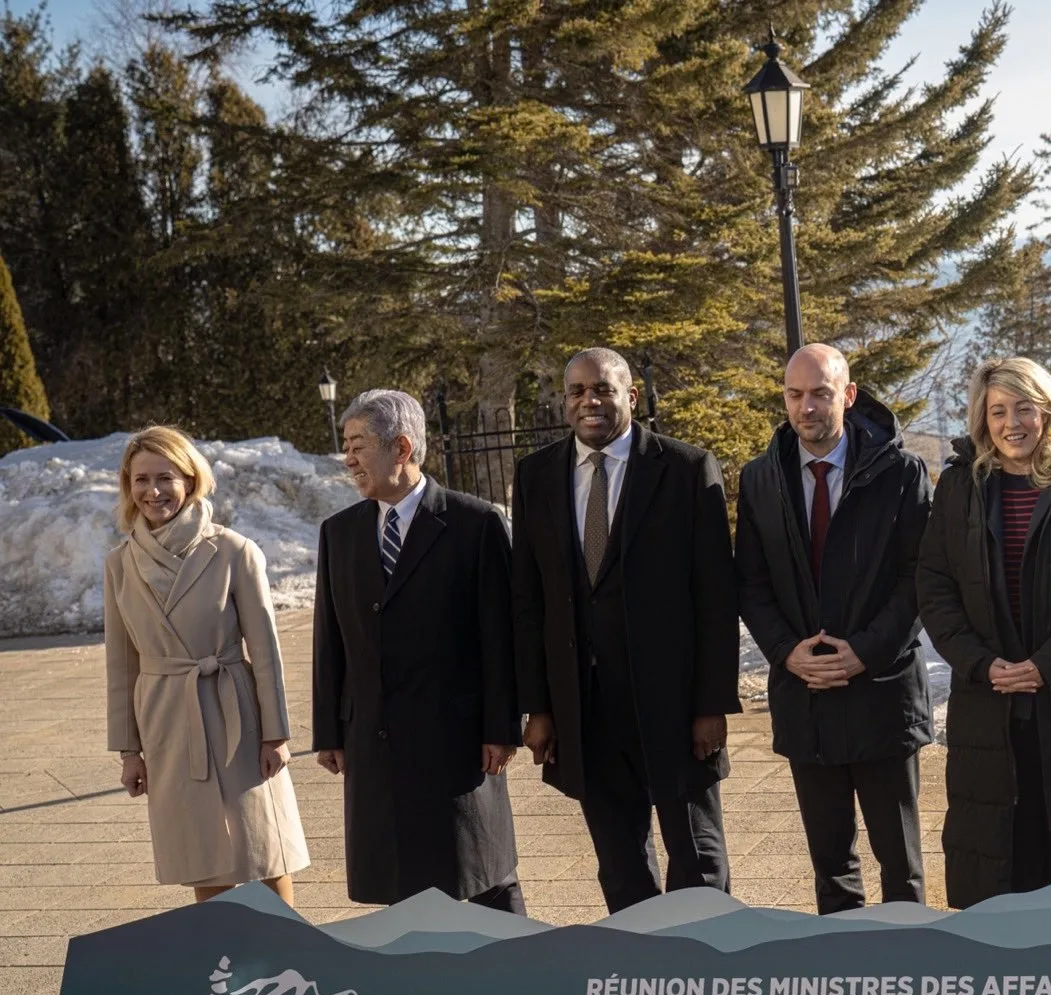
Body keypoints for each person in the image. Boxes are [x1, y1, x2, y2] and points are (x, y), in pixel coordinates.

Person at [513, 347, 740, 912]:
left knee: (697, 860)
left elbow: (715, 596)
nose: (590, 401)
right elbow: (528, 600)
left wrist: (711, 704)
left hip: (673, 704)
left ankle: (708, 976)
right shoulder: (536, 476)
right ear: (565, 402)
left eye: (604, 389)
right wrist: (538, 706)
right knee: (620, 863)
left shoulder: (685, 469)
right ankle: (641, 972)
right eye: (577, 391)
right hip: (585, 708)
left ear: (630, 398)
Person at [915, 357, 1051, 907]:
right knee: (997, 865)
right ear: (982, 418)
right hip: (987, 707)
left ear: (1048, 412)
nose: (1011, 422)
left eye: (1023, 408)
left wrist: (1047, 665)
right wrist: (982, 663)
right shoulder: (959, 487)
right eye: (997, 410)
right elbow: (935, 587)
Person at [736, 344, 934, 914]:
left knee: (901, 868)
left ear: (847, 396)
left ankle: (907, 986)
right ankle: (842, 983)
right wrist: (785, 652)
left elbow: (920, 576)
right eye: (795, 395)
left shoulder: (901, 472)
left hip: (883, 694)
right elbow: (749, 582)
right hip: (806, 699)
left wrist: (864, 653)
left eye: (821, 393)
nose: (807, 407)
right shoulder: (759, 480)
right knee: (832, 871)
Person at [312, 389, 525, 913]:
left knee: (481, 879)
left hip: (454, 742)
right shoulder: (339, 534)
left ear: (402, 448)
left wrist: (502, 726)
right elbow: (329, 640)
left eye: (358, 444)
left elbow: (501, 637)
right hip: (374, 744)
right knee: (398, 889)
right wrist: (329, 732)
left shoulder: (474, 524)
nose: (349, 459)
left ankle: (520, 979)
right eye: (346, 445)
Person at [103, 426, 309, 904]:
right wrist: (129, 751)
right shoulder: (119, 565)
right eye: (140, 480)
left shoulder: (234, 550)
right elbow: (121, 666)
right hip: (168, 717)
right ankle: (224, 962)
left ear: (191, 480)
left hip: (235, 708)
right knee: (202, 849)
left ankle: (288, 952)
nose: (152, 491)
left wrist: (276, 734)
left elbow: (266, 652)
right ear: (128, 487)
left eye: (165, 477)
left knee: (262, 845)